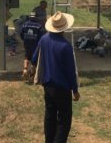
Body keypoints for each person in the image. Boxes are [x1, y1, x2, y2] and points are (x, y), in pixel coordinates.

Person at [32, 11, 80, 143]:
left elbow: (34, 58)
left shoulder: (44, 39)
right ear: (64, 29)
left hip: (47, 86)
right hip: (62, 88)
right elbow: (71, 72)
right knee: (64, 120)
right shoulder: (66, 46)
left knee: (50, 116)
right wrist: (75, 90)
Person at [20, 12, 45, 81]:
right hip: (35, 44)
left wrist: (25, 39)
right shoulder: (38, 26)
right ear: (36, 17)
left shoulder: (24, 24)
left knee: (26, 56)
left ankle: (25, 69)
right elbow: (41, 35)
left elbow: (21, 33)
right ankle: (31, 75)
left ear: (30, 17)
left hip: (27, 43)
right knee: (34, 59)